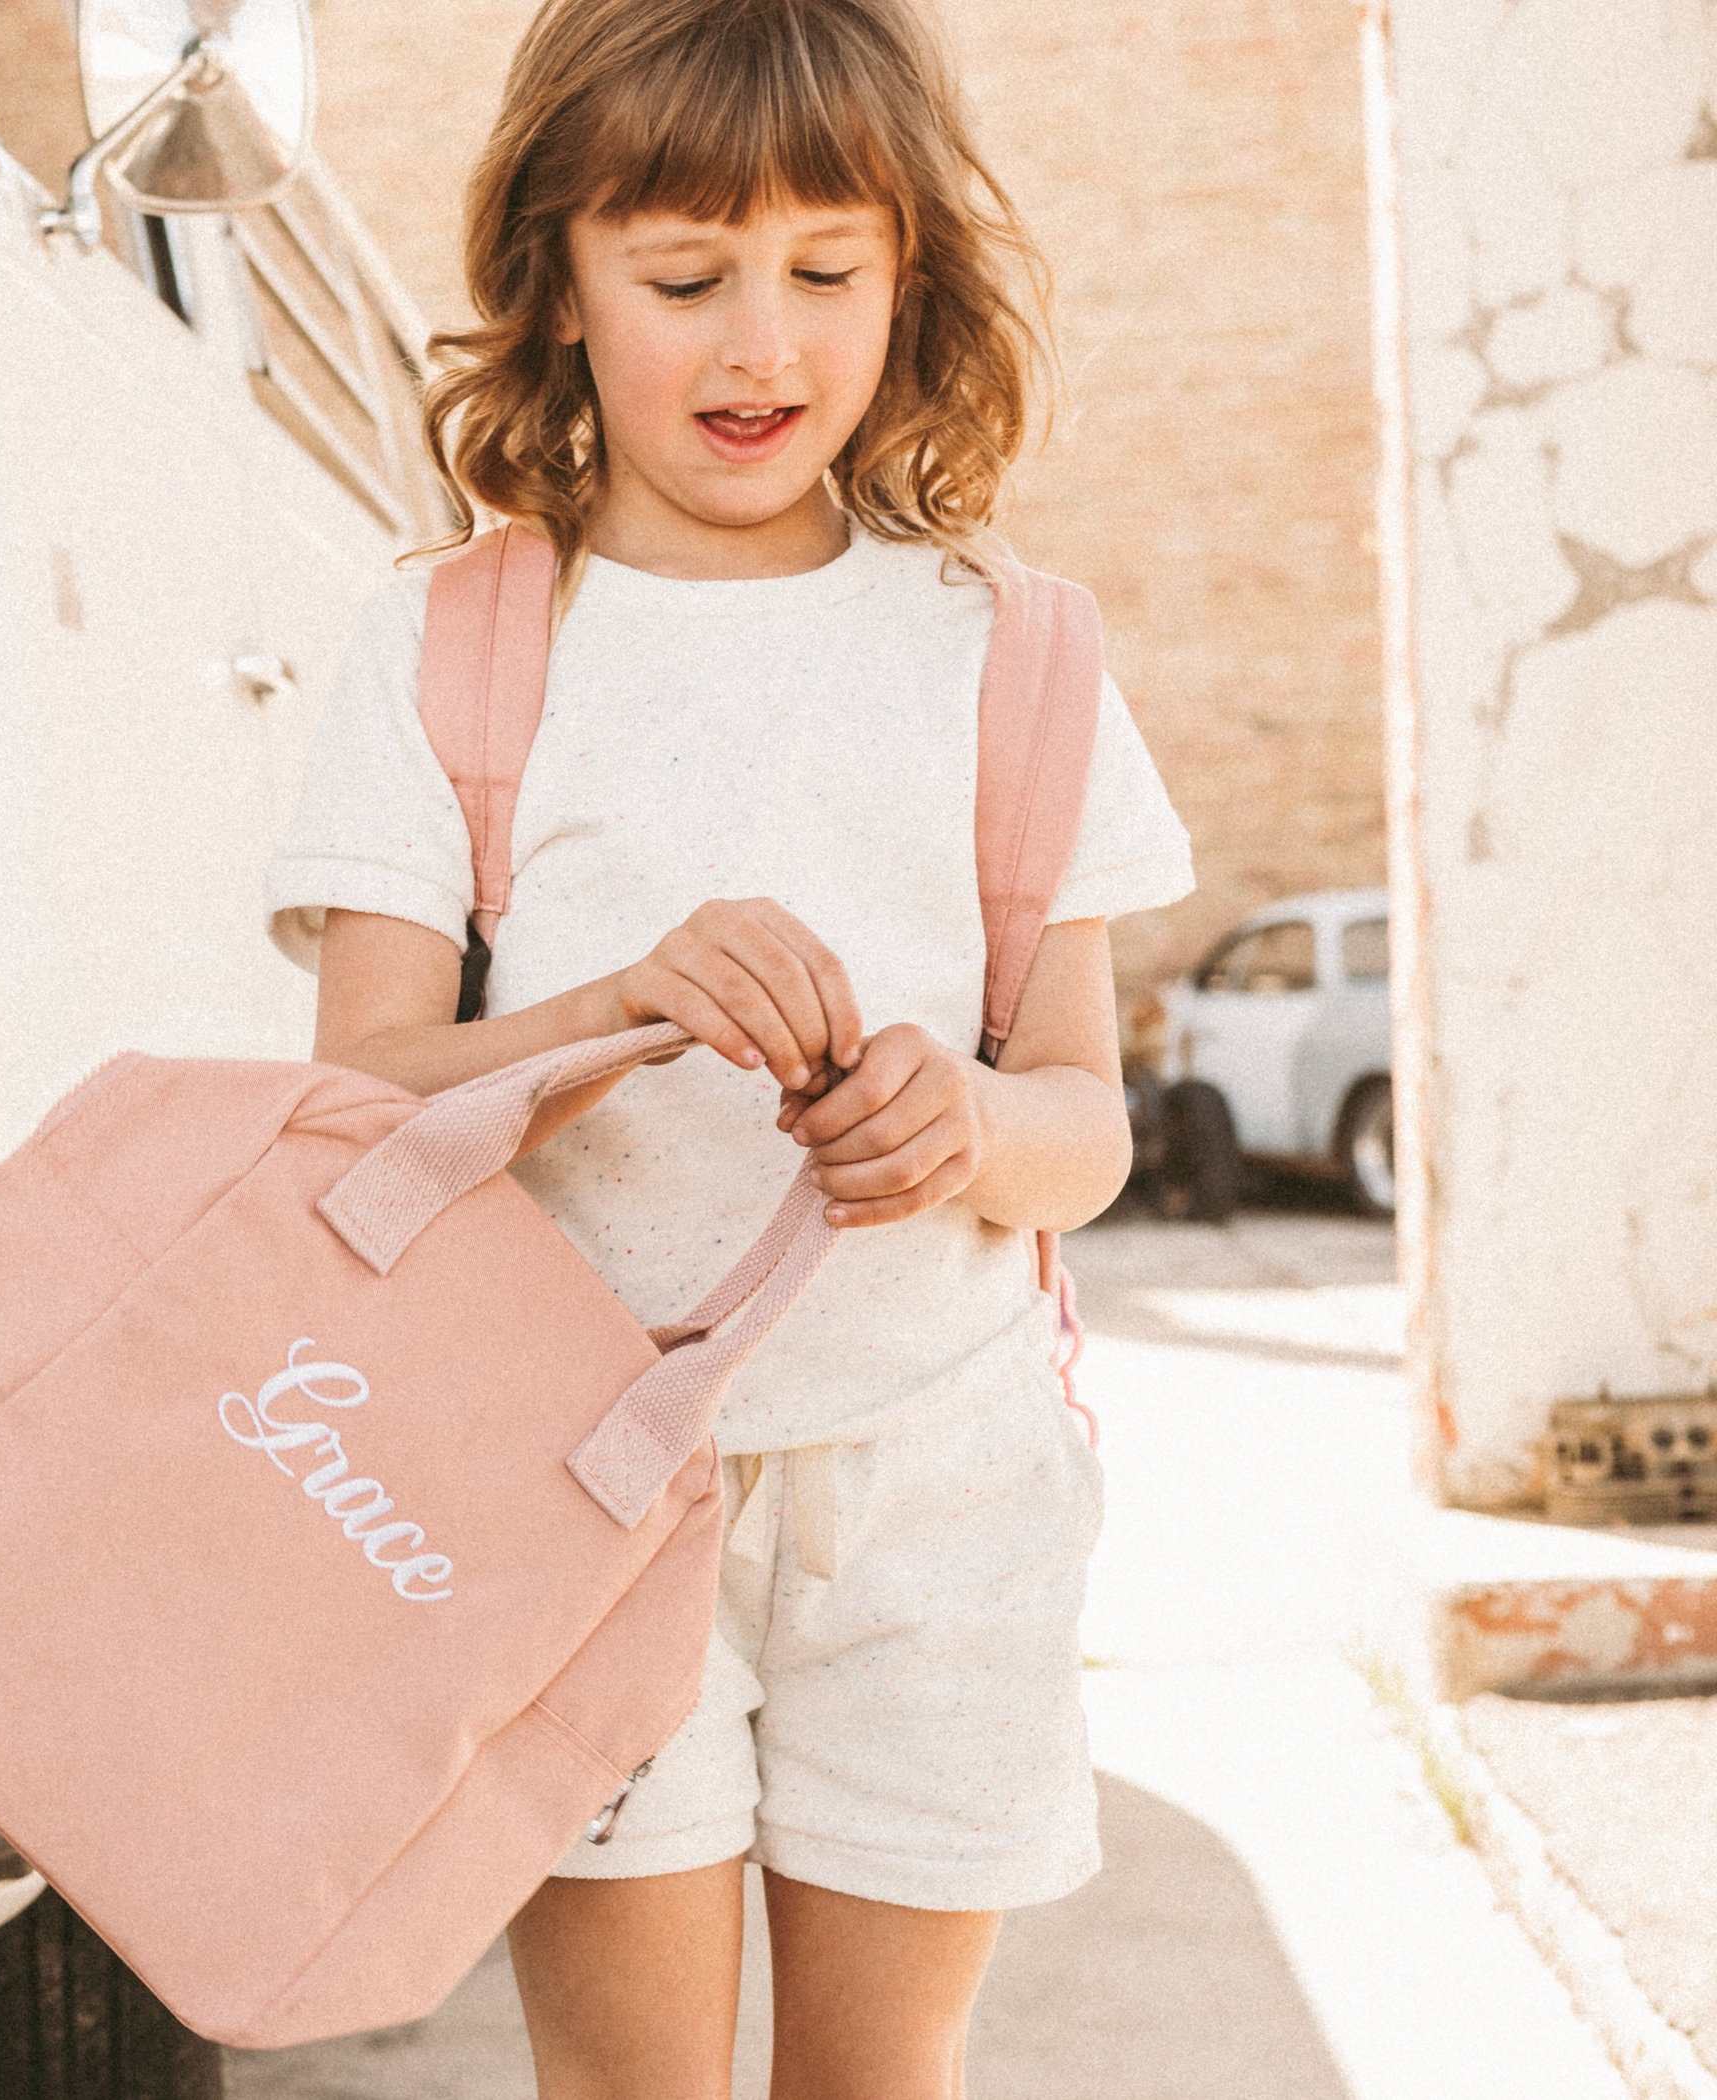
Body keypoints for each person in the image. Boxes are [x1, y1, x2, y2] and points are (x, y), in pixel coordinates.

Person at [263, 2, 1196, 2093]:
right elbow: (351, 1108)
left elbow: (1082, 1135)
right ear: (558, 286)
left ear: (908, 283)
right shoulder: (456, 643)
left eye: (824, 273)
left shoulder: (1009, 654)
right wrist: (602, 1014)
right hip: (564, 1497)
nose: (757, 344)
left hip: (936, 1494)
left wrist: (956, 1123)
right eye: (682, 278)